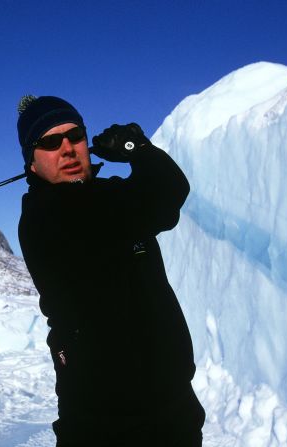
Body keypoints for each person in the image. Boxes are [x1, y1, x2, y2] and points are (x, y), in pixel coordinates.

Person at [17, 95, 205, 446]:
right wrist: (133, 148)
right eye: (50, 142)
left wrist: (137, 149)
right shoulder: (45, 216)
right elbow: (162, 196)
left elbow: (163, 196)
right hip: (103, 422)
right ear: (32, 163)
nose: (68, 149)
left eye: (75, 136)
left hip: (171, 410)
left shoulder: (105, 196)